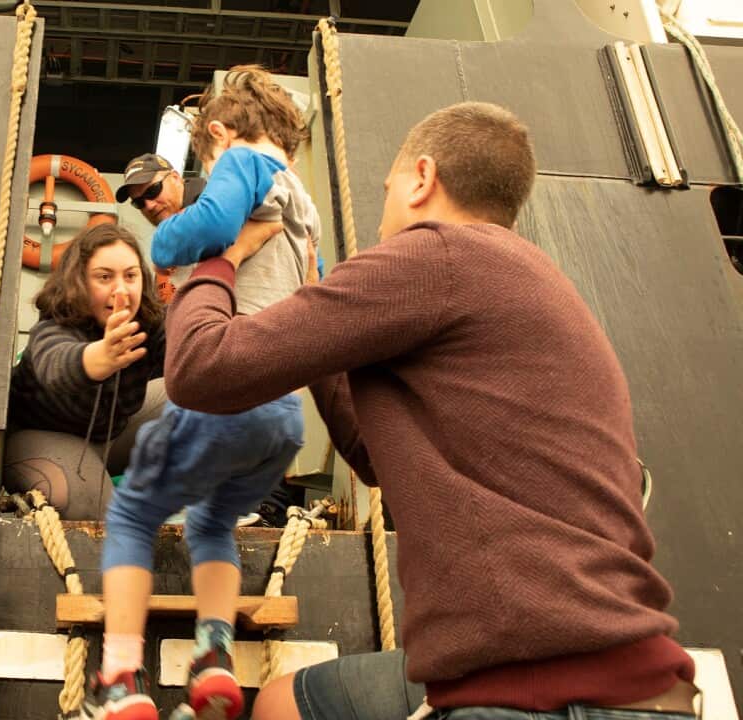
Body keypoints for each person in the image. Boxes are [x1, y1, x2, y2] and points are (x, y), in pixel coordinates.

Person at [162, 101, 697, 720]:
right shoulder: (524, 275)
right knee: (285, 704)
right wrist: (311, 309)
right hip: (620, 669)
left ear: (421, 177)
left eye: (387, 187)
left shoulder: (434, 257)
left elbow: (200, 368)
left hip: (539, 686)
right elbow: (372, 455)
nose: (385, 207)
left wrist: (219, 257)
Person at [90, 66, 318, 720]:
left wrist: (163, 244)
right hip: (282, 415)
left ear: (217, 132)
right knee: (212, 520)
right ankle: (212, 659)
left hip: (226, 386)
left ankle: (120, 680)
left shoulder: (240, 160)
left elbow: (211, 222)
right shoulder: (302, 202)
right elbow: (317, 293)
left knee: (133, 512)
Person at [4, 224, 168, 520]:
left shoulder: (149, 324)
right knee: (92, 507)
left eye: (130, 276)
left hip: (112, 438)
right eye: (104, 277)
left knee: (193, 393)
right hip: (38, 438)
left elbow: (197, 354)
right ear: (79, 281)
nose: (121, 289)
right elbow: (55, 362)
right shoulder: (54, 325)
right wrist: (99, 358)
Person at [115, 152, 207, 227]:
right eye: (138, 202)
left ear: (175, 178)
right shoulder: (175, 232)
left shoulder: (211, 213)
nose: (149, 206)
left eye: (153, 191)